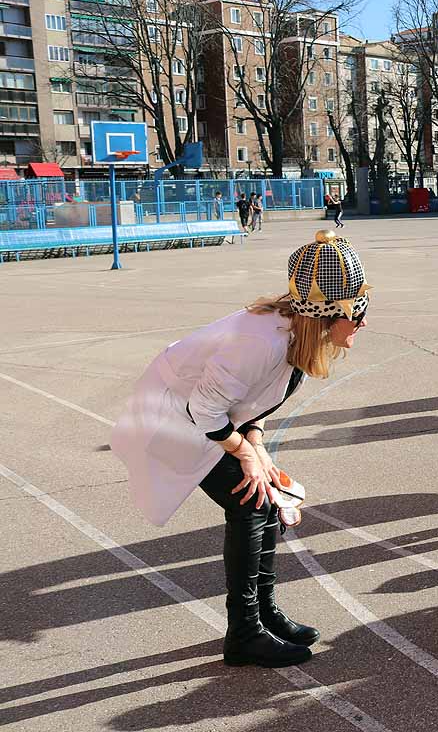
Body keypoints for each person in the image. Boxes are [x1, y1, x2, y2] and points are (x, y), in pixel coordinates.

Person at [111, 230, 371, 668]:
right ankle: (244, 634)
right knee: (251, 503)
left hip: (204, 420)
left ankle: (262, 614)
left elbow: (254, 403)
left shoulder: (296, 336)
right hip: (174, 422)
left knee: (264, 500)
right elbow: (205, 410)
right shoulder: (261, 342)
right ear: (330, 316)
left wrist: (256, 443)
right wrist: (247, 455)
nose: (364, 323)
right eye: (359, 314)